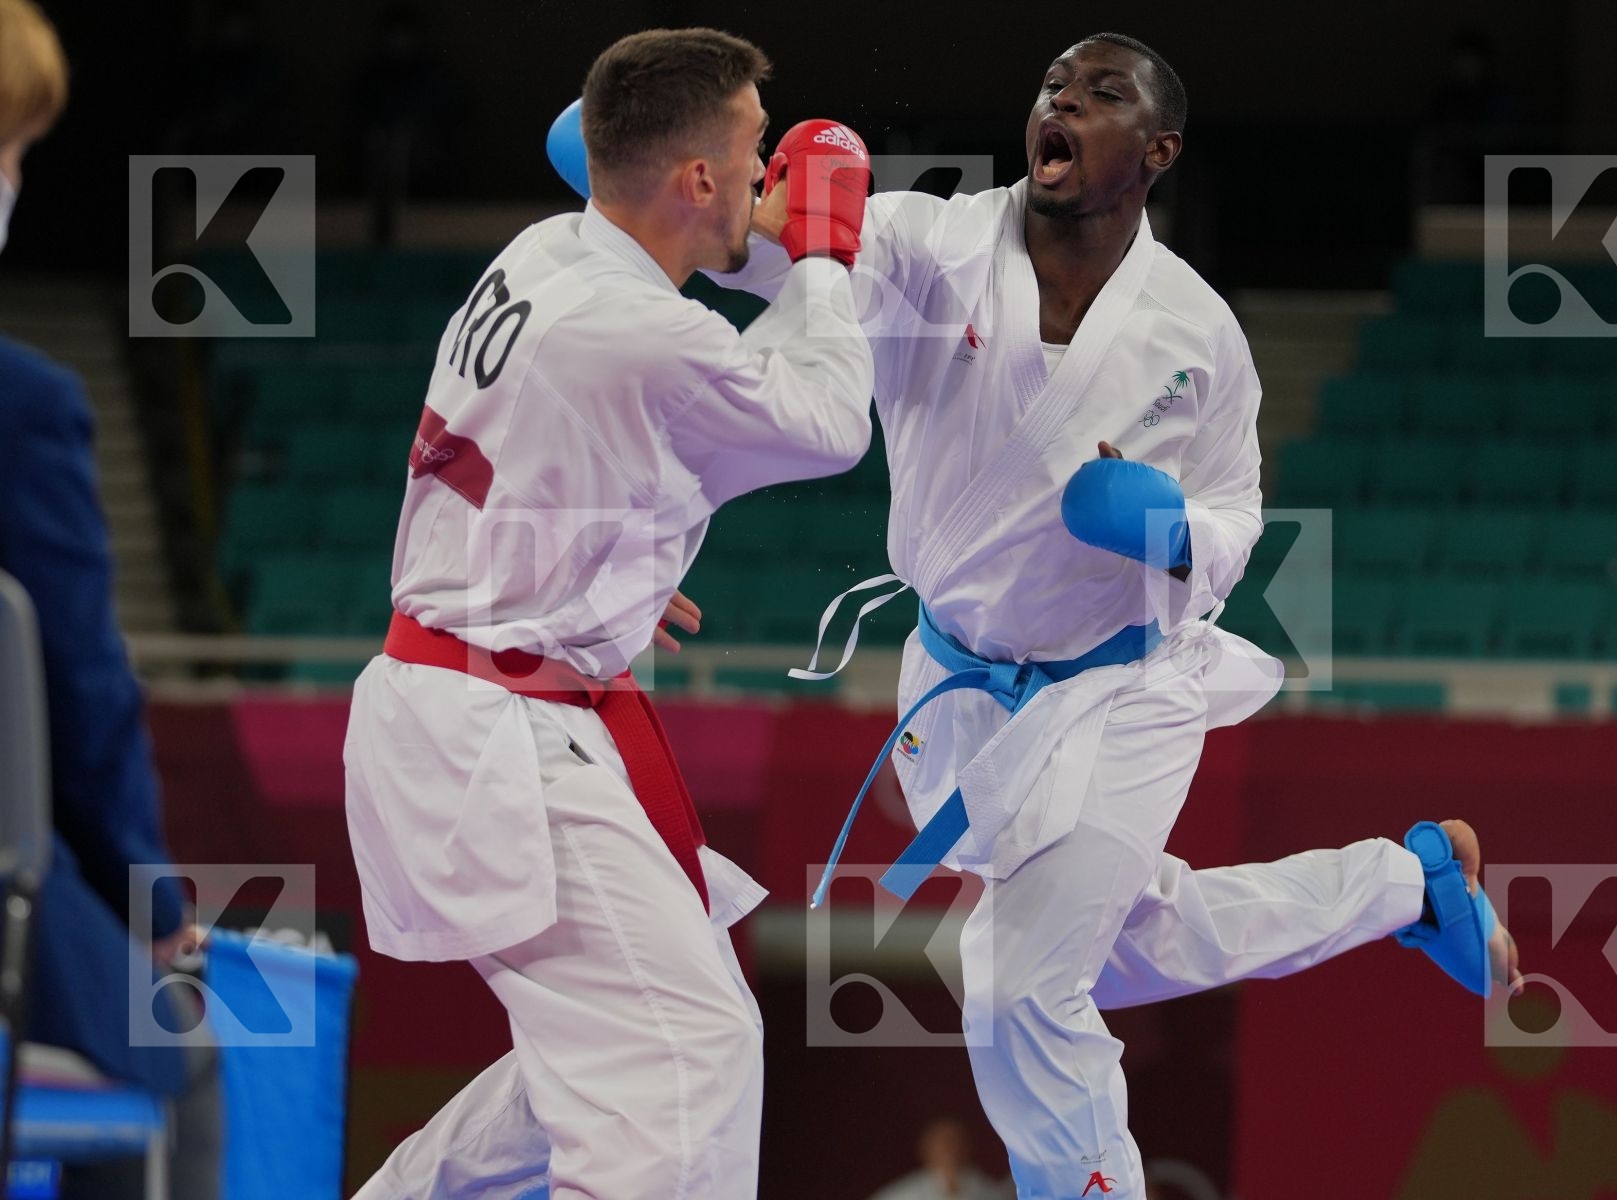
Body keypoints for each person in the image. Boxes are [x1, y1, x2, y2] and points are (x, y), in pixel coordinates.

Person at [555, 32, 1523, 1199]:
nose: (1062, 100)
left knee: (1018, 978)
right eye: (1054, 85)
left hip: (1120, 687)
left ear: (1157, 150)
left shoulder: (1197, 332)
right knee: (1115, 946)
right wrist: (634, 160)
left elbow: (1236, 519)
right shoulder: (928, 241)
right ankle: (1410, 884)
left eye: (1102, 93)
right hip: (961, 690)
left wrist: (1168, 529)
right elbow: (758, 256)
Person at [343, 28, 875, 1199]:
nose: (766, 183)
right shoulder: (636, 327)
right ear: (696, 180)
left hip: (482, 689)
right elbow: (831, 422)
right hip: (492, 730)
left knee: (603, 1058)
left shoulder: (547, 253)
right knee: (687, 1056)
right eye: (751, 158)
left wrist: (608, 557)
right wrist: (824, 252)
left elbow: (523, 453)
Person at [0, 2, 220, 1196]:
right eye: (14, 149)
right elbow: (80, 690)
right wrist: (149, 899)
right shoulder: (22, 404)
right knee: (177, 1069)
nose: (18, 179)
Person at [869, 1118, 1014, 1200]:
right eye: (942, 1144)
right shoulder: (904, 1194)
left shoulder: (987, 1189)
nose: (949, 1151)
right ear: (925, 1150)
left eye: (954, 1143)